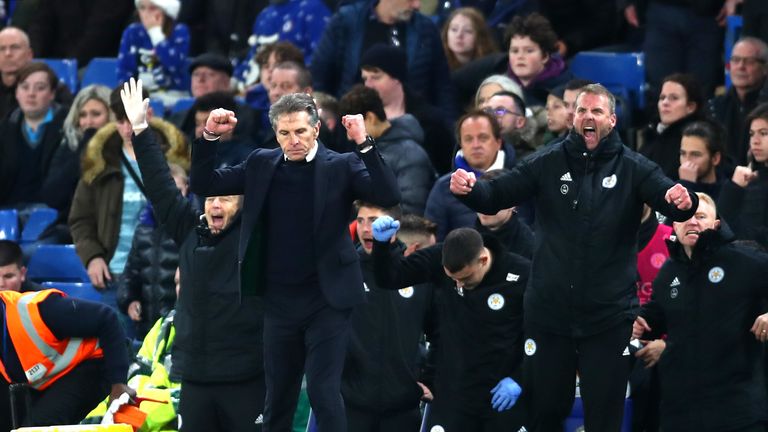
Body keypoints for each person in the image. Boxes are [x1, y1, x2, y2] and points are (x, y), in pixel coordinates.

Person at [449, 83, 699, 432]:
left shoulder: (633, 167)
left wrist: (684, 201)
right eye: (582, 111)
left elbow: (667, 195)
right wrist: (473, 190)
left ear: (611, 119)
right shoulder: (546, 161)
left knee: (604, 418)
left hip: (608, 317)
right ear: (573, 118)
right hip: (550, 315)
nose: (588, 117)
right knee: (546, 412)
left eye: (597, 111)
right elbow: (498, 194)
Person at [186, 87, 400, 430]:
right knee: (279, 397)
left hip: (327, 299)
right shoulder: (260, 162)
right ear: (276, 134)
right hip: (279, 301)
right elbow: (203, 182)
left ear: (316, 129)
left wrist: (364, 142)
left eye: (300, 131)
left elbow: (389, 193)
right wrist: (209, 136)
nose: (293, 139)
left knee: (322, 391)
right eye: (284, 133)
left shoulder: (341, 165)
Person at [120, 78, 266, 430]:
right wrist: (140, 129)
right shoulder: (188, 229)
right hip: (195, 377)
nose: (216, 204)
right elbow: (159, 185)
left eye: (226, 198)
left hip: (246, 377)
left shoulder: (258, 237)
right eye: (211, 197)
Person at [371, 223, 529, 431]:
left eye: (465, 278)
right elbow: (391, 277)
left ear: (482, 260)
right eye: (452, 279)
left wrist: (520, 379)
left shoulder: (521, 274)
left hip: (500, 396)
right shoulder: (440, 257)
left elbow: (540, 334)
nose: (459, 286)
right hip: (454, 393)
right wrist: (381, 247)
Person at [632, 192, 768, 432]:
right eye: (685, 216)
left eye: (701, 216)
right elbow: (656, 314)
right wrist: (640, 321)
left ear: (715, 224)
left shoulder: (744, 260)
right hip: (680, 410)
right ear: (674, 224)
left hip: (737, 409)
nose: (692, 221)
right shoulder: (669, 271)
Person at [68, 85, 189, 290]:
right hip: (113, 272)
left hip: (167, 273)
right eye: (121, 121)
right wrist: (93, 257)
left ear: (148, 113)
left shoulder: (179, 160)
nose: (127, 129)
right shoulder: (98, 162)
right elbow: (80, 219)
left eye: (132, 120)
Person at [343, 201, 437, 431]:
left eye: (374, 221)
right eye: (361, 221)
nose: (366, 228)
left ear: (393, 227)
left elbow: (439, 331)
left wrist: (429, 377)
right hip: (350, 405)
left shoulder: (415, 272)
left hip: (402, 409)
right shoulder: (344, 271)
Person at [0, 288, 132, 430]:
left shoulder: (37, 310)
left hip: (97, 360)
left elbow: (107, 318)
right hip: (51, 377)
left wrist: (119, 383)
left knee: (38, 425)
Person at [310, 0, 456, 114]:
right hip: (350, 122)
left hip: (413, 125)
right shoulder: (345, 22)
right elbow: (320, 75)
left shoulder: (426, 29)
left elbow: (442, 86)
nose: (417, 5)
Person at [339, 84, 435, 216]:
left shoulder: (410, 155)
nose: (349, 137)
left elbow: (412, 210)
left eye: (351, 126)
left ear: (370, 118)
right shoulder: (363, 150)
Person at [360, 44, 456, 175]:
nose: (368, 85)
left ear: (397, 78)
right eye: (365, 78)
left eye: (376, 77)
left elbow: (444, 169)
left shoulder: (430, 121)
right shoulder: (358, 118)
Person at [425, 110, 518, 240]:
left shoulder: (519, 180)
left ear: (498, 143)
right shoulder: (443, 187)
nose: (476, 145)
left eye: (483, 137)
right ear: (460, 145)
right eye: (468, 139)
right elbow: (434, 240)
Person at [0, 62, 70, 213]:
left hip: (53, 214)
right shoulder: (4, 129)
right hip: (8, 211)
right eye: (24, 87)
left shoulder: (69, 128)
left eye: (40, 88)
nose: (31, 93)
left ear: (52, 94)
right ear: (17, 93)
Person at [709, 37, 768, 168]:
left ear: (765, 68)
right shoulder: (716, 106)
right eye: (736, 60)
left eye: (749, 61)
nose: (741, 66)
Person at [719, 102, 768, 248]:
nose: (755, 141)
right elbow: (720, 225)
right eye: (752, 134)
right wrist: (734, 188)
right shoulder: (748, 181)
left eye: (764, 133)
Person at [27, 0, 135, 67]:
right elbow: (41, 25)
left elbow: (98, 35)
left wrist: (68, 66)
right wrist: (33, 57)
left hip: (94, 62)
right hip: (57, 60)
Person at [640, 73, 706, 180]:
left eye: (674, 98)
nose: (665, 103)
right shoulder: (651, 134)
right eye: (662, 98)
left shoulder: (695, 141)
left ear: (690, 107)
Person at [0, 27, 73, 119]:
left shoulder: (52, 88)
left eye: (15, 47)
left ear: (29, 54)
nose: (8, 53)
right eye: (1, 49)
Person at [473, 169, 534, 259]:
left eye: (493, 201)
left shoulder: (530, 245)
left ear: (513, 203)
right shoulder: (466, 241)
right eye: (480, 200)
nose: (484, 208)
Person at [677, 120, 726, 200]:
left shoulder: (727, 191)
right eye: (683, 154)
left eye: (695, 155)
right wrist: (685, 184)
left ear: (715, 159)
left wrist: (687, 184)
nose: (687, 161)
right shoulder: (671, 189)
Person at [481, 90, 537, 159]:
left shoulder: (529, 159)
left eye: (500, 111)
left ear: (520, 122)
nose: (491, 115)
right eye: (488, 110)